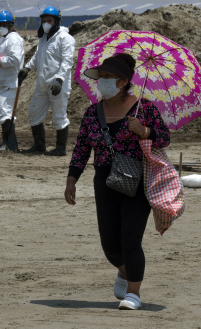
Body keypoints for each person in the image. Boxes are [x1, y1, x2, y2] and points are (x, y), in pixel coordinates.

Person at [63, 53, 170, 310]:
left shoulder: (144, 109)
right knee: (110, 243)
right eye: (101, 77)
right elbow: (81, 149)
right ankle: (124, 270)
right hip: (105, 180)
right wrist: (71, 180)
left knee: (130, 238)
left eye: (108, 78)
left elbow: (164, 138)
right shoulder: (92, 113)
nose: (102, 82)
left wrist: (144, 131)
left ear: (123, 82)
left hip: (137, 179)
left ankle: (134, 293)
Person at [18, 4, 75, 155]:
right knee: (33, 113)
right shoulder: (43, 38)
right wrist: (27, 68)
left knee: (58, 116)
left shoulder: (65, 38)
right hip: (42, 84)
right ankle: (39, 145)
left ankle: (61, 148)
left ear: (57, 21)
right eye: (44, 20)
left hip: (57, 85)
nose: (46, 23)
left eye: (49, 20)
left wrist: (60, 80)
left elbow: (67, 61)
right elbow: (38, 56)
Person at [0, 9, 24, 152]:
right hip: (1, 83)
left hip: (8, 83)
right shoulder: (4, 39)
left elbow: (15, 60)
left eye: (4, 24)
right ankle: (8, 144)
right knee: (5, 113)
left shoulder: (14, 39)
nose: (0, 27)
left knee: (5, 113)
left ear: (10, 24)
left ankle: (10, 145)